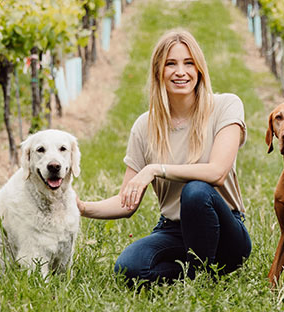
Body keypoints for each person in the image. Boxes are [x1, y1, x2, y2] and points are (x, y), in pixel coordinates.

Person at [77, 29, 252, 285]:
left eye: (188, 63)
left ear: (199, 69)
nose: (180, 72)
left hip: (224, 231)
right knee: (129, 268)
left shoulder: (226, 106)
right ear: (159, 70)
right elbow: (127, 203)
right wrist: (82, 208)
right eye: (171, 64)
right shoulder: (144, 126)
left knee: (196, 191)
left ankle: (204, 278)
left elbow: (217, 172)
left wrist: (156, 169)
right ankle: (197, 273)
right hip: (174, 229)